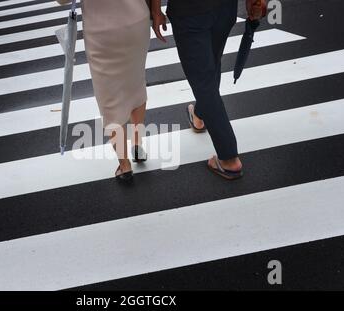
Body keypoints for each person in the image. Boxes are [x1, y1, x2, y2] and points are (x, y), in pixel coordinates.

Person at [151, 0, 267, 180]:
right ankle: (200, 115)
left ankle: (229, 158)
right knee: (210, 62)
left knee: (203, 79)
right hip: (224, 9)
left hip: (189, 12)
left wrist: (156, 10)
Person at [57, 0, 153, 182]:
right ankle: (138, 144)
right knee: (136, 83)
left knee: (109, 99)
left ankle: (124, 165)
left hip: (102, 33)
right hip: (137, 21)